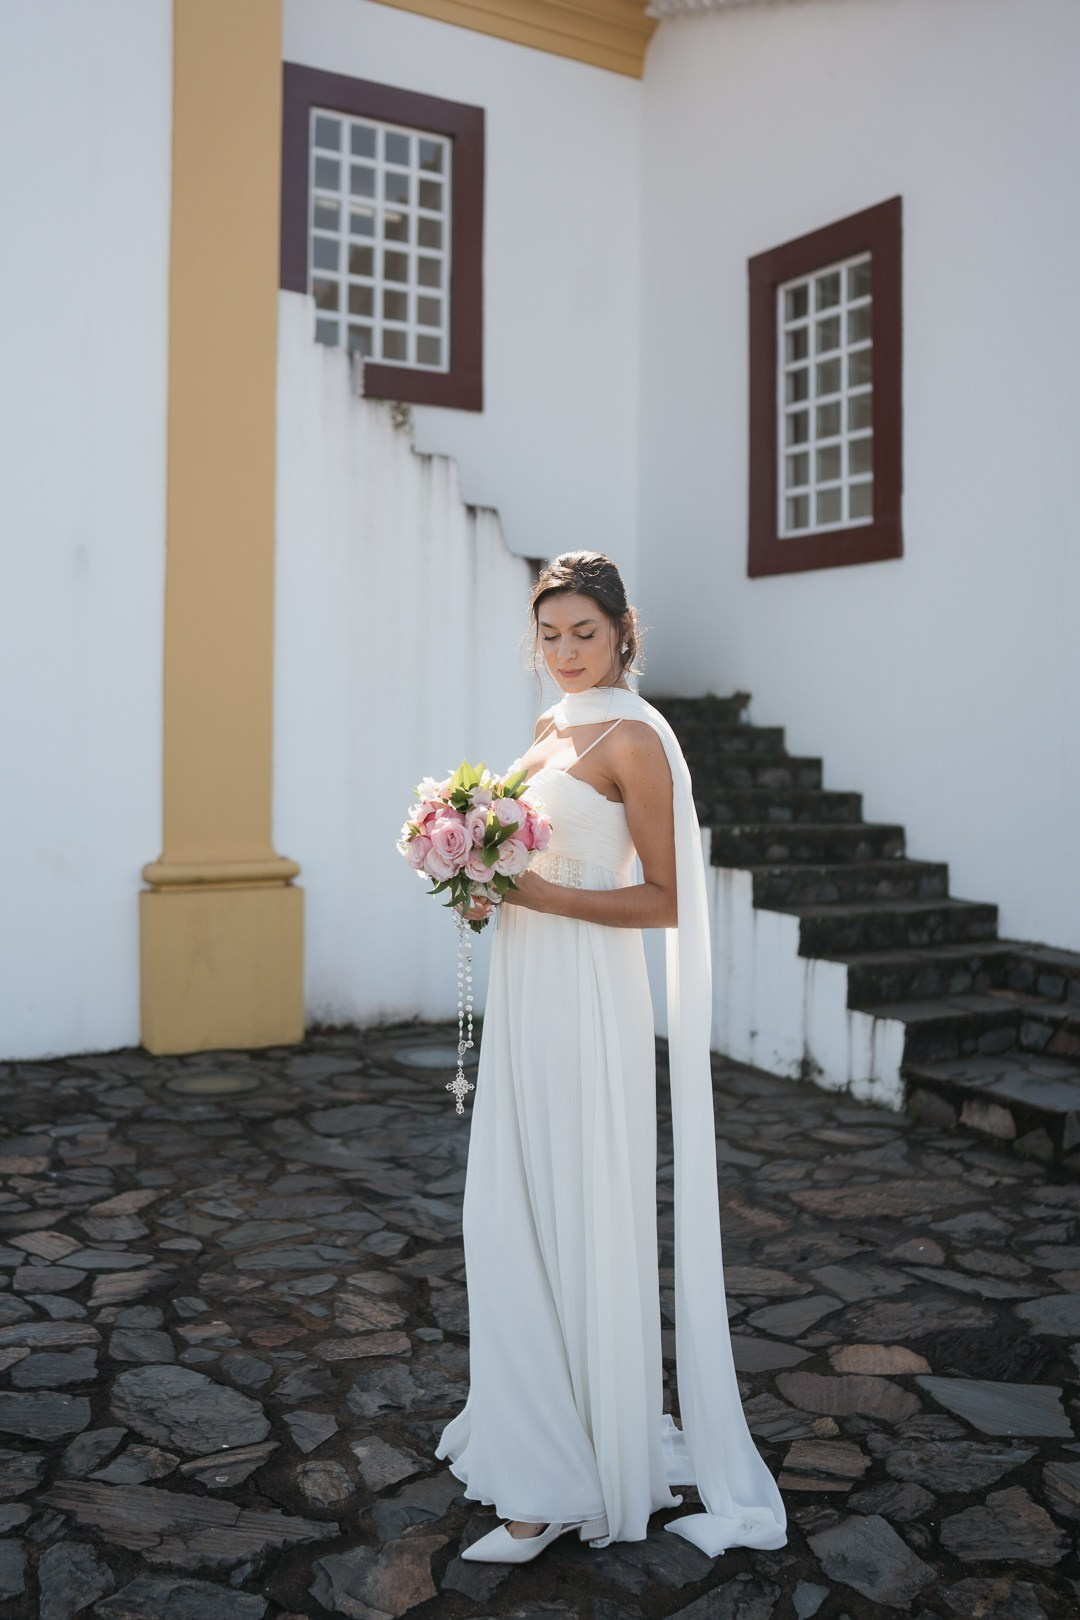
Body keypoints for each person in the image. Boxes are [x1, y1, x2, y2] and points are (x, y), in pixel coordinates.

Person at [435, 550, 787, 1564]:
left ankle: (554, 1490)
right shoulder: (552, 726)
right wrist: (473, 879)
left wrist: (541, 895)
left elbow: (669, 898)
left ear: (624, 630)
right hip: (528, 986)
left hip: (590, 997)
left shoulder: (634, 737)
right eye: (548, 634)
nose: (564, 651)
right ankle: (536, 1436)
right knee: (510, 1210)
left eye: (583, 633)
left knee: (575, 1208)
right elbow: (526, 856)